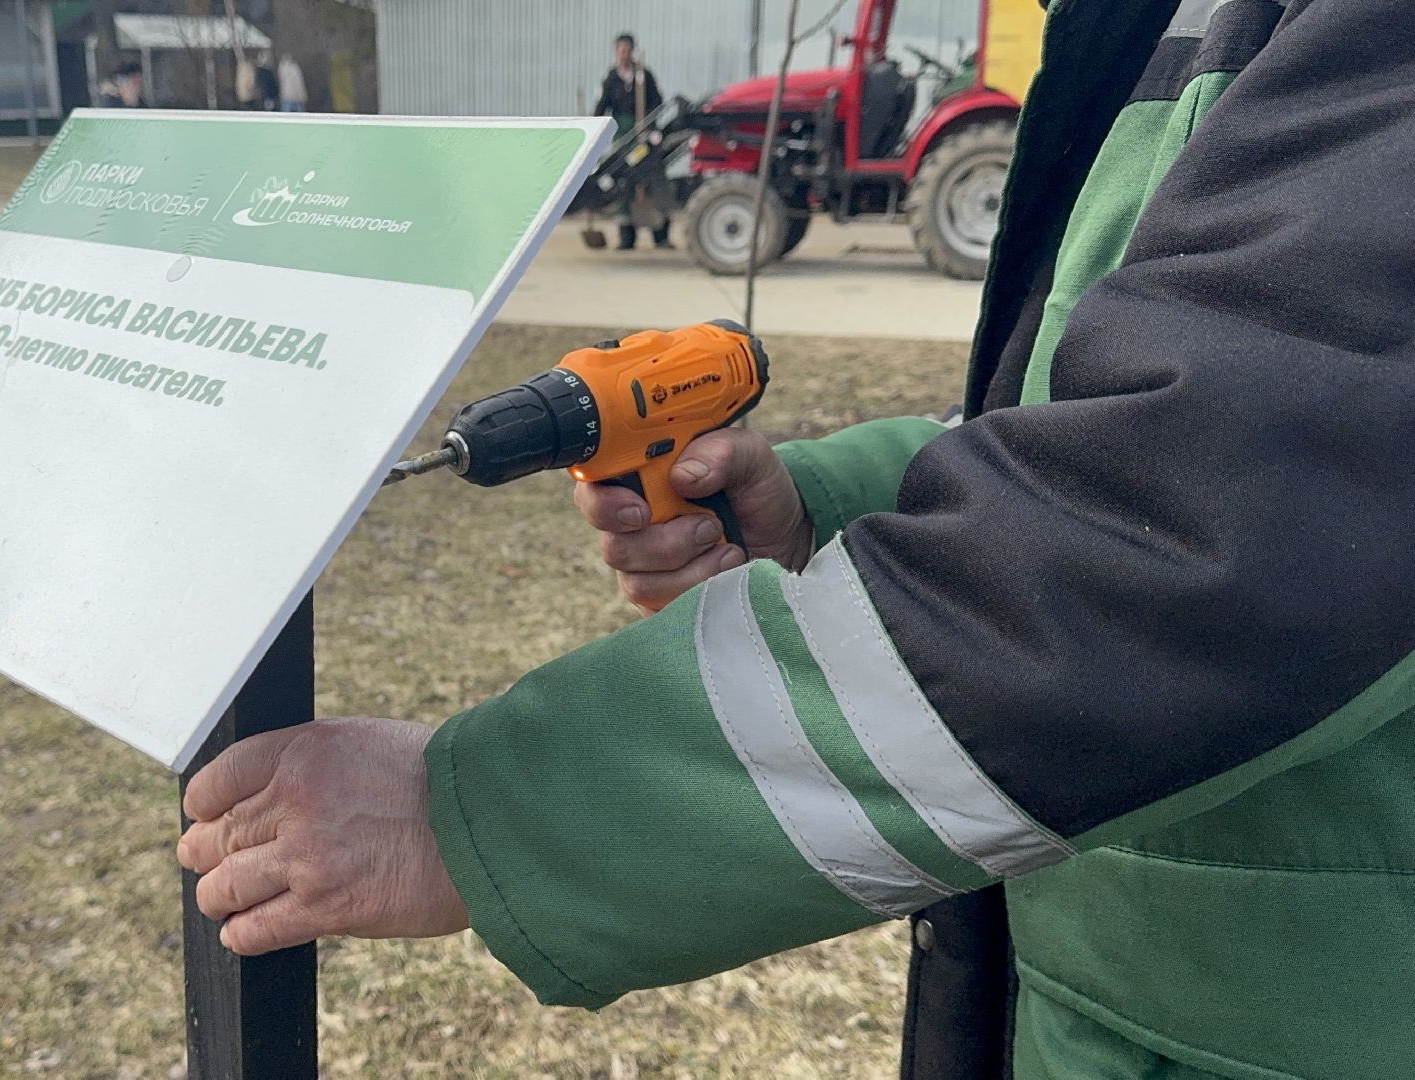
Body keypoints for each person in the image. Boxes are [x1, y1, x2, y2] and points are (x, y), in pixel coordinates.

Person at [178, 1, 1415, 1076]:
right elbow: (1104, 411)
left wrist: (484, 808)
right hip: (1120, 997)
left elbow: (1190, 543)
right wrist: (831, 512)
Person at [593, 32, 668, 250]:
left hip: (642, 134)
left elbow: (658, 102)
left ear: (633, 51)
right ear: (616, 52)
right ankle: (627, 238)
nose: (624, 54)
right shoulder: (611, 79)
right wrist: (594, 129)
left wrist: (647, 121)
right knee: (623, 179)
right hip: (622, 134)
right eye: (620, 51)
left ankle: (660, 235)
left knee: (651, 177)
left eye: (627, 50)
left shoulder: (644, 76)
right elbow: (602, 106)